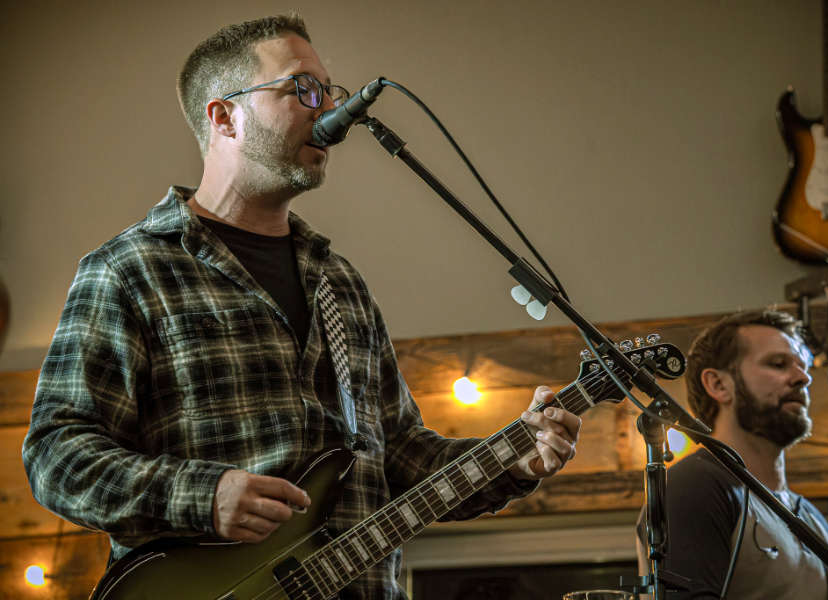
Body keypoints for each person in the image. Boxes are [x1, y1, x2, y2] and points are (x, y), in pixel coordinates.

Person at [22, 13, 581, 599]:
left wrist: (513, 459)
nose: (330, 110)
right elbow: (56, 455)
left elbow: (400, 457)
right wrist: (203, 497)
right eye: (302, 89)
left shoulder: (340, 282)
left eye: (330, 92)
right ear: (224, 116)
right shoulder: (130, 270)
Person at [636, 310, 828, 599]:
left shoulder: (813, 519)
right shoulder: (694, 486)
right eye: (778, 364)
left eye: (803, 367)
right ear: (718, 385)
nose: (803, 378)